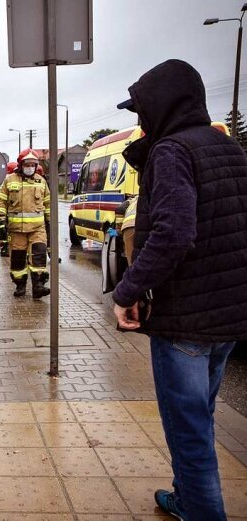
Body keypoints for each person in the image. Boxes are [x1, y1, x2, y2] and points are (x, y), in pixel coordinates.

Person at [111, 59, 247, 521]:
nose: (139, 120)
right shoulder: (229, 148)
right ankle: (187, 498)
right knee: (201, 420)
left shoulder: (173, 152)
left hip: (185, 320)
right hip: (227, 317)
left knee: (189, 436)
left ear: (163, 104)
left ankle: (201, 510)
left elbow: (173, 233)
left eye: (142, 110)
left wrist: (127, 291)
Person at [0, 148, 51, 298]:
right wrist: (1, 220)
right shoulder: (10, 180)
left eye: (33, 165)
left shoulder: (41, 181)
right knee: (18, 259)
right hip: (17, 229)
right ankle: (20, 285)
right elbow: (1, 201)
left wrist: (50, 223)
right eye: (27, 164)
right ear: (21, 165)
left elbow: (48, 204)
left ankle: (38, 286)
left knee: (39, 256)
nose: (30, 168)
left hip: (37, 229)